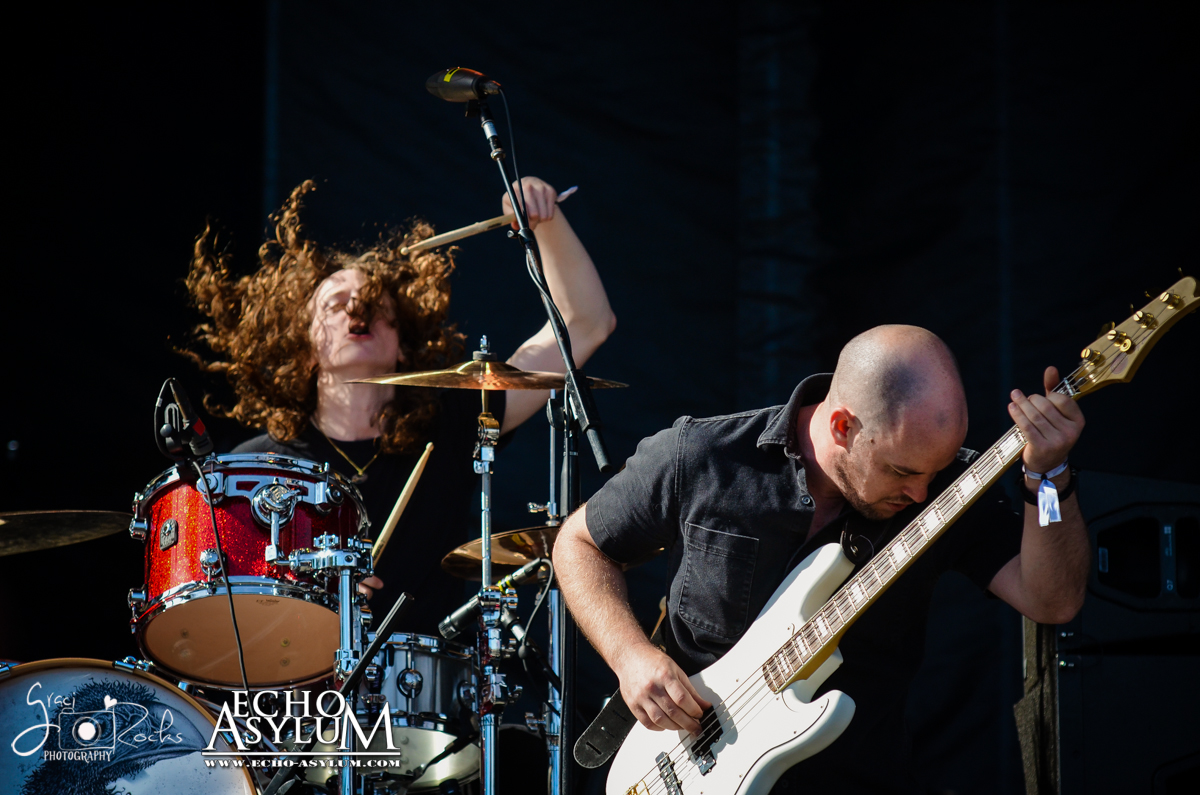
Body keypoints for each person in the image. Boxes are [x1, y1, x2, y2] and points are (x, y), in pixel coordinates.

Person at [553, 325, 1089, 793]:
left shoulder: (949, 492)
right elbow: (578, 544)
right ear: (842, 427)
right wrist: (630, 658)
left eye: (934, 472)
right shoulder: (704, 457)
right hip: (686, 765)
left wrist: (1048, 478)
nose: (921, 493)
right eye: (902, 471)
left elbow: (1053, 600)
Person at [186, 176, 616, 635]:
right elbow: (218, 624)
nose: (357, 309)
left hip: (425, 674)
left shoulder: (452, 422)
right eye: (334, 304)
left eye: (375, 304)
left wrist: (543, 222)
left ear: (403, 345)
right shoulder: (257, 468)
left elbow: (586, 323)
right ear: (305, 347)